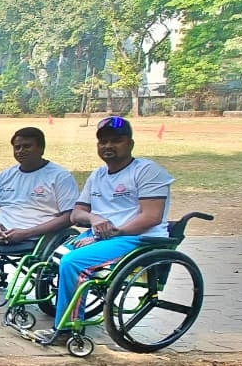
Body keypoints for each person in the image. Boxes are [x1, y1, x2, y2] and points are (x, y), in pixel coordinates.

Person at [34, 117, 173, 345]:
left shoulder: (147, 171)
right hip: (101, 235)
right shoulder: (98, 175)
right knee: (53, 256)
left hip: (136, 237)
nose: (108, 146)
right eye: (103, 142)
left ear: (130, 143)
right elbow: (76, 214)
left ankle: (68, 329)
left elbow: (151, 216)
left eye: (116, 140)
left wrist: (110, 233)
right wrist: (94, 218)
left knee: (73, 262)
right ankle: (63, 305)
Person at [0, 127, 78, 255]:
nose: (21, 151)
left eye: (27, 146)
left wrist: (26, 233)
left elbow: (69, 217)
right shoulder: (5, 176)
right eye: (17, 147)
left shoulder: (60, 177)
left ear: (41, 149)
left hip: (35, 238)